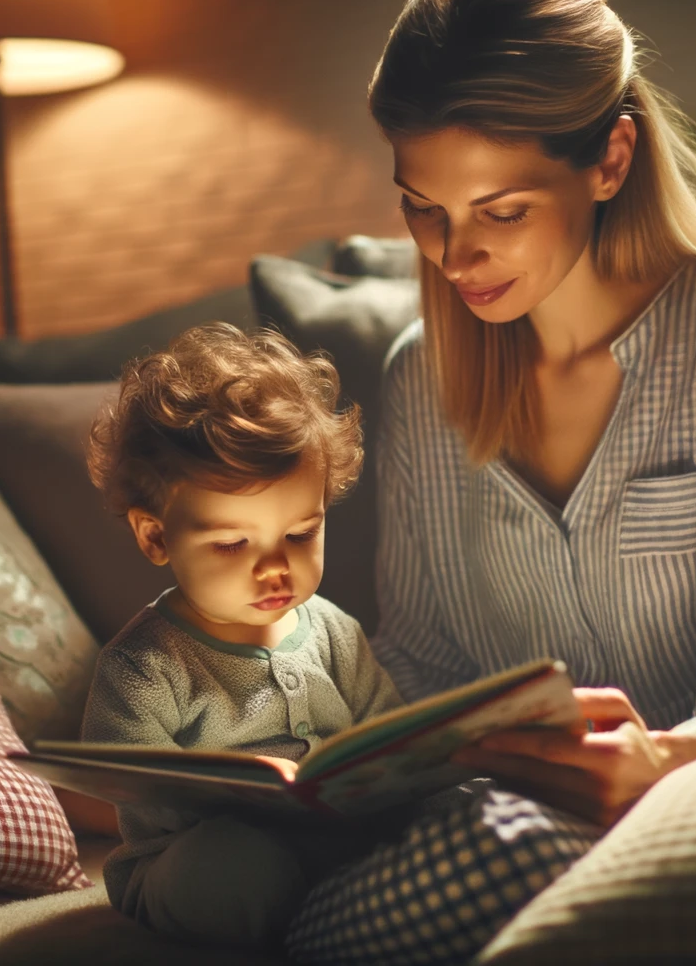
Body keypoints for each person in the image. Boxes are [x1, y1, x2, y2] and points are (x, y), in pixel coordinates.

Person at [358, 0, 696, 830]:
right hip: (484, 818)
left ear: (610, 159)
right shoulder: (419, 376)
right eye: (423, 208)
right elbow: (419, 658)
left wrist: (666, 761)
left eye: (502, 211)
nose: (453, 256)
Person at [81, 323, 598, 963]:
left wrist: (434, 775)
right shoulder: (141, 666)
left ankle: (368, 906)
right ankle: (325, 930)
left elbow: (388, 740)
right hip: (200, 860)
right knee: (230, 866)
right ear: (156, 537)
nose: (275, 568)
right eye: (233, 544)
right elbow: (135, 797)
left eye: (300, 533)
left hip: (339, 838)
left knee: (474, 804)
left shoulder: (332, 630)